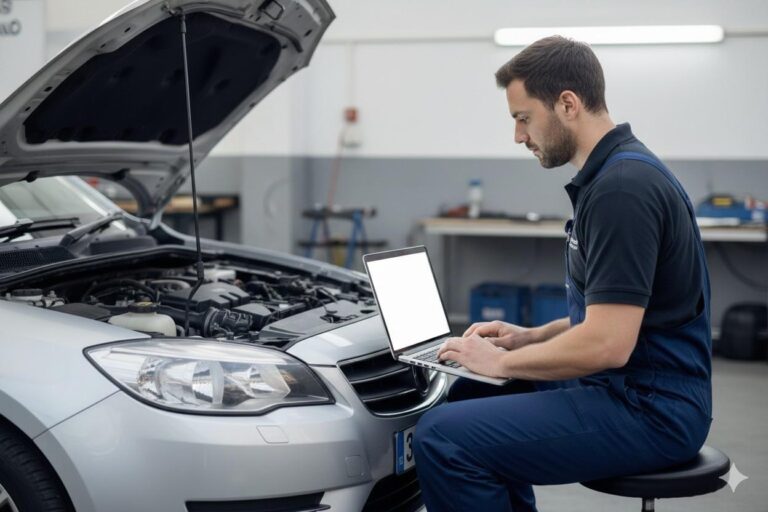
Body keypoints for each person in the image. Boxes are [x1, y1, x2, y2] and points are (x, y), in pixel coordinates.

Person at [412, 36, 713, 512]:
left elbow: (609, 344)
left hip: (651, 409)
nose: (518, 136)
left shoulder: (622, 190)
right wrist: (528, 338)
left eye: (523, 118)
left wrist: (501, 363)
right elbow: (611, 317)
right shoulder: (612, 177)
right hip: (627, 386)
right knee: (466, 399)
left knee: (443, 438)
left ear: (567, 104)